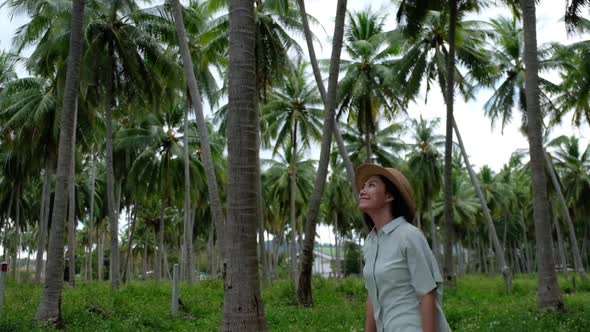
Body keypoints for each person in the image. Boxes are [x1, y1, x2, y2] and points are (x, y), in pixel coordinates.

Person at [356, 163, 451, 332]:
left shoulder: (409, 235)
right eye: (363, 186)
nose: (362, 191)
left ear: (389, 196)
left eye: (371, 185)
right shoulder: (370, 242)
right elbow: (373, 296)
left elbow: (427, 293)